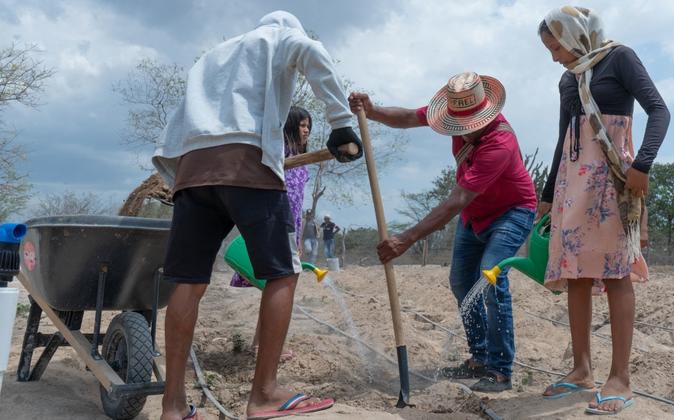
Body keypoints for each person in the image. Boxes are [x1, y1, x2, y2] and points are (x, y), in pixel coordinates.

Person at [152, 11, 362, 420]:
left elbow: (182, 117)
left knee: (188, 282)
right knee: (283, 272)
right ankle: (264, 394)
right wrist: (341, 123)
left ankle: (173, 405)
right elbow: (311, 51)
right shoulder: (277, 38)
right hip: (248, 164)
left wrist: (175, 168)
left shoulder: (212, 56)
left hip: (194, 171)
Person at [349, 71, 537, 392]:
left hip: (511, 213)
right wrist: (374, 110)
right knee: (462, 281)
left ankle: (500, 369)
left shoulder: (500, 142)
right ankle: (478, 357)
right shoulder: (453, 116)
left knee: (491, 278)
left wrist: (405, 239)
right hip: (474, 216)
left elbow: (457, 200)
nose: (463, 130)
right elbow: (409, 117)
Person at [536, 6, 670, 415]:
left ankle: (621, 378)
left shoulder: (620, 58)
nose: (554, 55)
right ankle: (581, 370)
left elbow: (659, 112)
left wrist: (642, 166)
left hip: (613, 181)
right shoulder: (568, 77)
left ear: (575, 34)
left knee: (615, 274)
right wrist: (546, 194)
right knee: (575, 275)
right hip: (571, 185)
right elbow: (564, 138)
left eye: (555, 45)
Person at [228, 105, 313, 363]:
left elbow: (298, 206)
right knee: (280, 283)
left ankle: (259, 343)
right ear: (289, 127)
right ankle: (270, 347)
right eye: (301, 125)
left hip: (290, 226)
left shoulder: (303, 159)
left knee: (276, 286)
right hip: (274, 222)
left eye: (309, 125)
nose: (306, 129)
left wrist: (297, 237)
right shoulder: (280, 154)